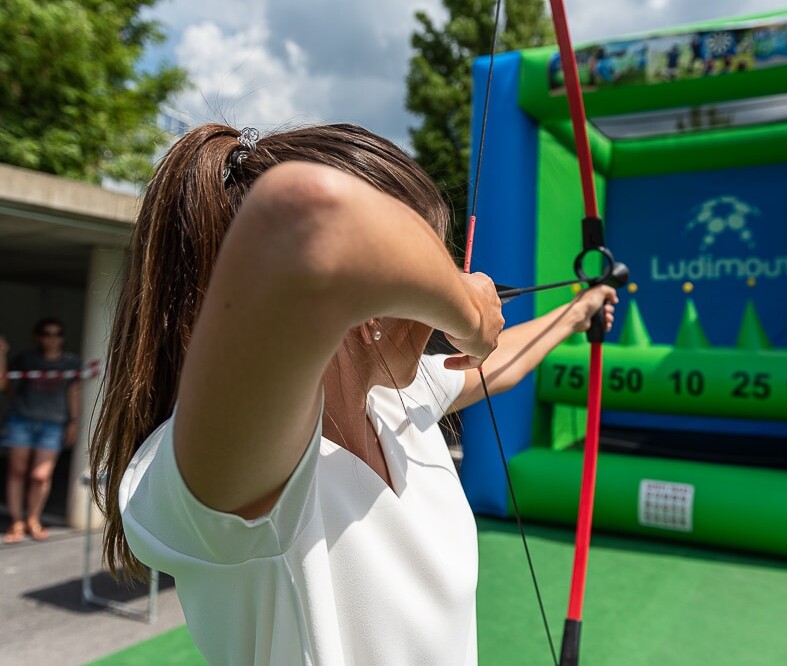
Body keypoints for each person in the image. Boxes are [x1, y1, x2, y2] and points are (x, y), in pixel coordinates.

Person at [90, 123, 617, 665]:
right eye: (432, 265)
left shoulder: (392, 401)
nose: (441, 285)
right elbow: (309, 217)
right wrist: (468, 305)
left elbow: (496, 365)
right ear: (372, 304)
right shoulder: (224, 475)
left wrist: (577, 313)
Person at [2, 318, 82, 543]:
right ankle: (17, 521)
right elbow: (5, 387)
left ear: (62, 337)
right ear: (38, 337)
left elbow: (74, 391)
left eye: (57, 333)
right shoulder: (26, 358)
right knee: (16, 472)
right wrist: (2, 355)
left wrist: (74, 422)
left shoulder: (71, 362)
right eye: (47, 333)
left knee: (41, 476)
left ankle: (33, 519)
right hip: (21, 420)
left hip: (53, 424)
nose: (52, 338)